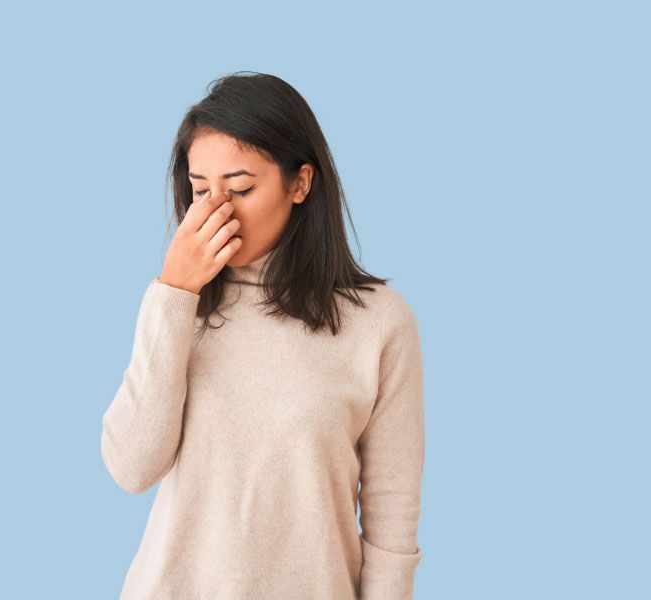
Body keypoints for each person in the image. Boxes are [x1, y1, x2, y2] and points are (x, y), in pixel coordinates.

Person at [101, 71, 425, 600]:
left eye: (242, 187)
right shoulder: (177, 308)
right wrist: (174, 292)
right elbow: (132, 468)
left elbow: (391, 518)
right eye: (200, 189)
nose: (214, 210)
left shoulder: (380, 322)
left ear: (300, 183)